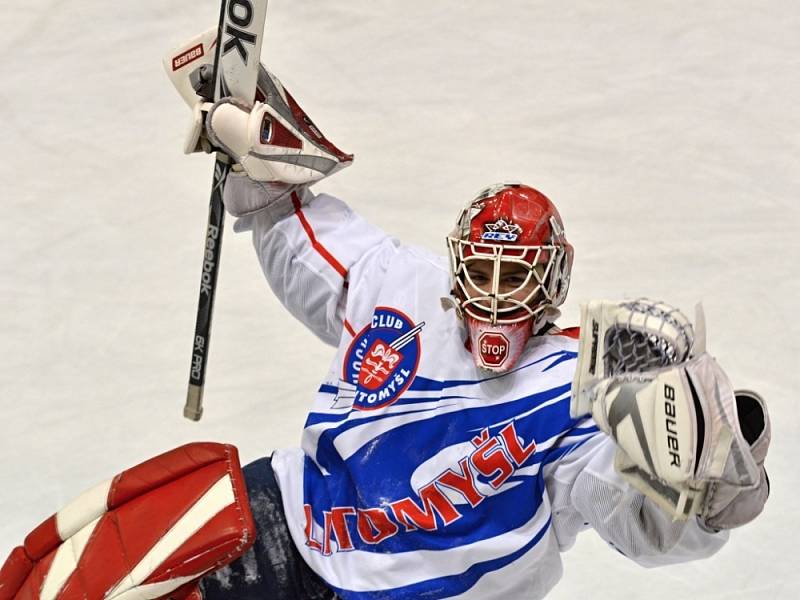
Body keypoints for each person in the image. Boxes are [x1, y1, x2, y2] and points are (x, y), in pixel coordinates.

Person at [0, 69, 770, 600]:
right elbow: (294, 229)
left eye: (517, 280)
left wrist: (711, 491)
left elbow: (642, 527)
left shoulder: (578, 395)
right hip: (285, 524)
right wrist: (256, 148)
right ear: (456, 266)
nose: (496, 300)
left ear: (553, 282)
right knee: (73, 573)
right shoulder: (403, 289)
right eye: (483, 275)